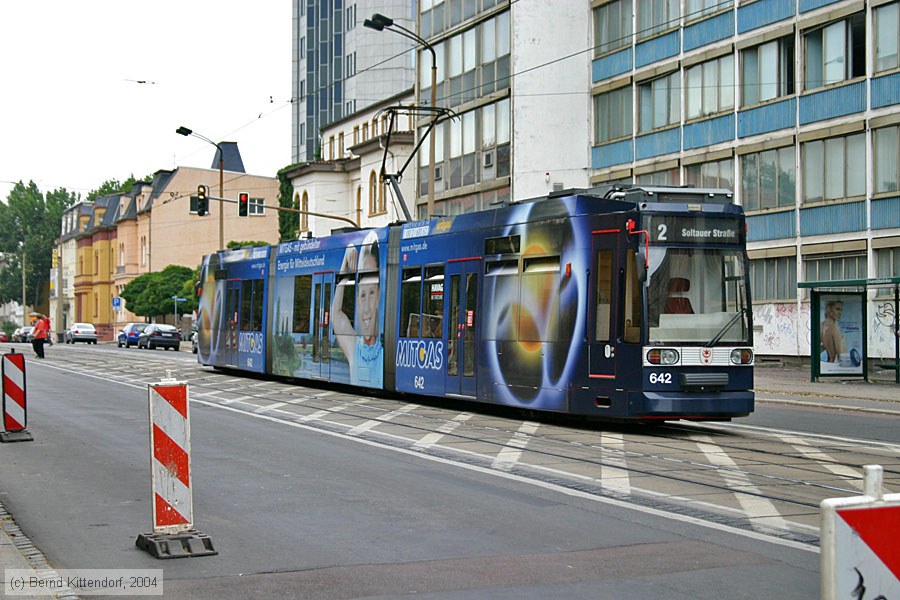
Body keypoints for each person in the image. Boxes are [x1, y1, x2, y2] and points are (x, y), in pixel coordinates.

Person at [331, 231, 383, 387]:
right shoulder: (354, 347)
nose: (366, 309)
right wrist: (345, 264)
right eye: (362, 295)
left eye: (372, 293)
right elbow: (336, 315)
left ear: (379, 296)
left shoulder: (386, 351)